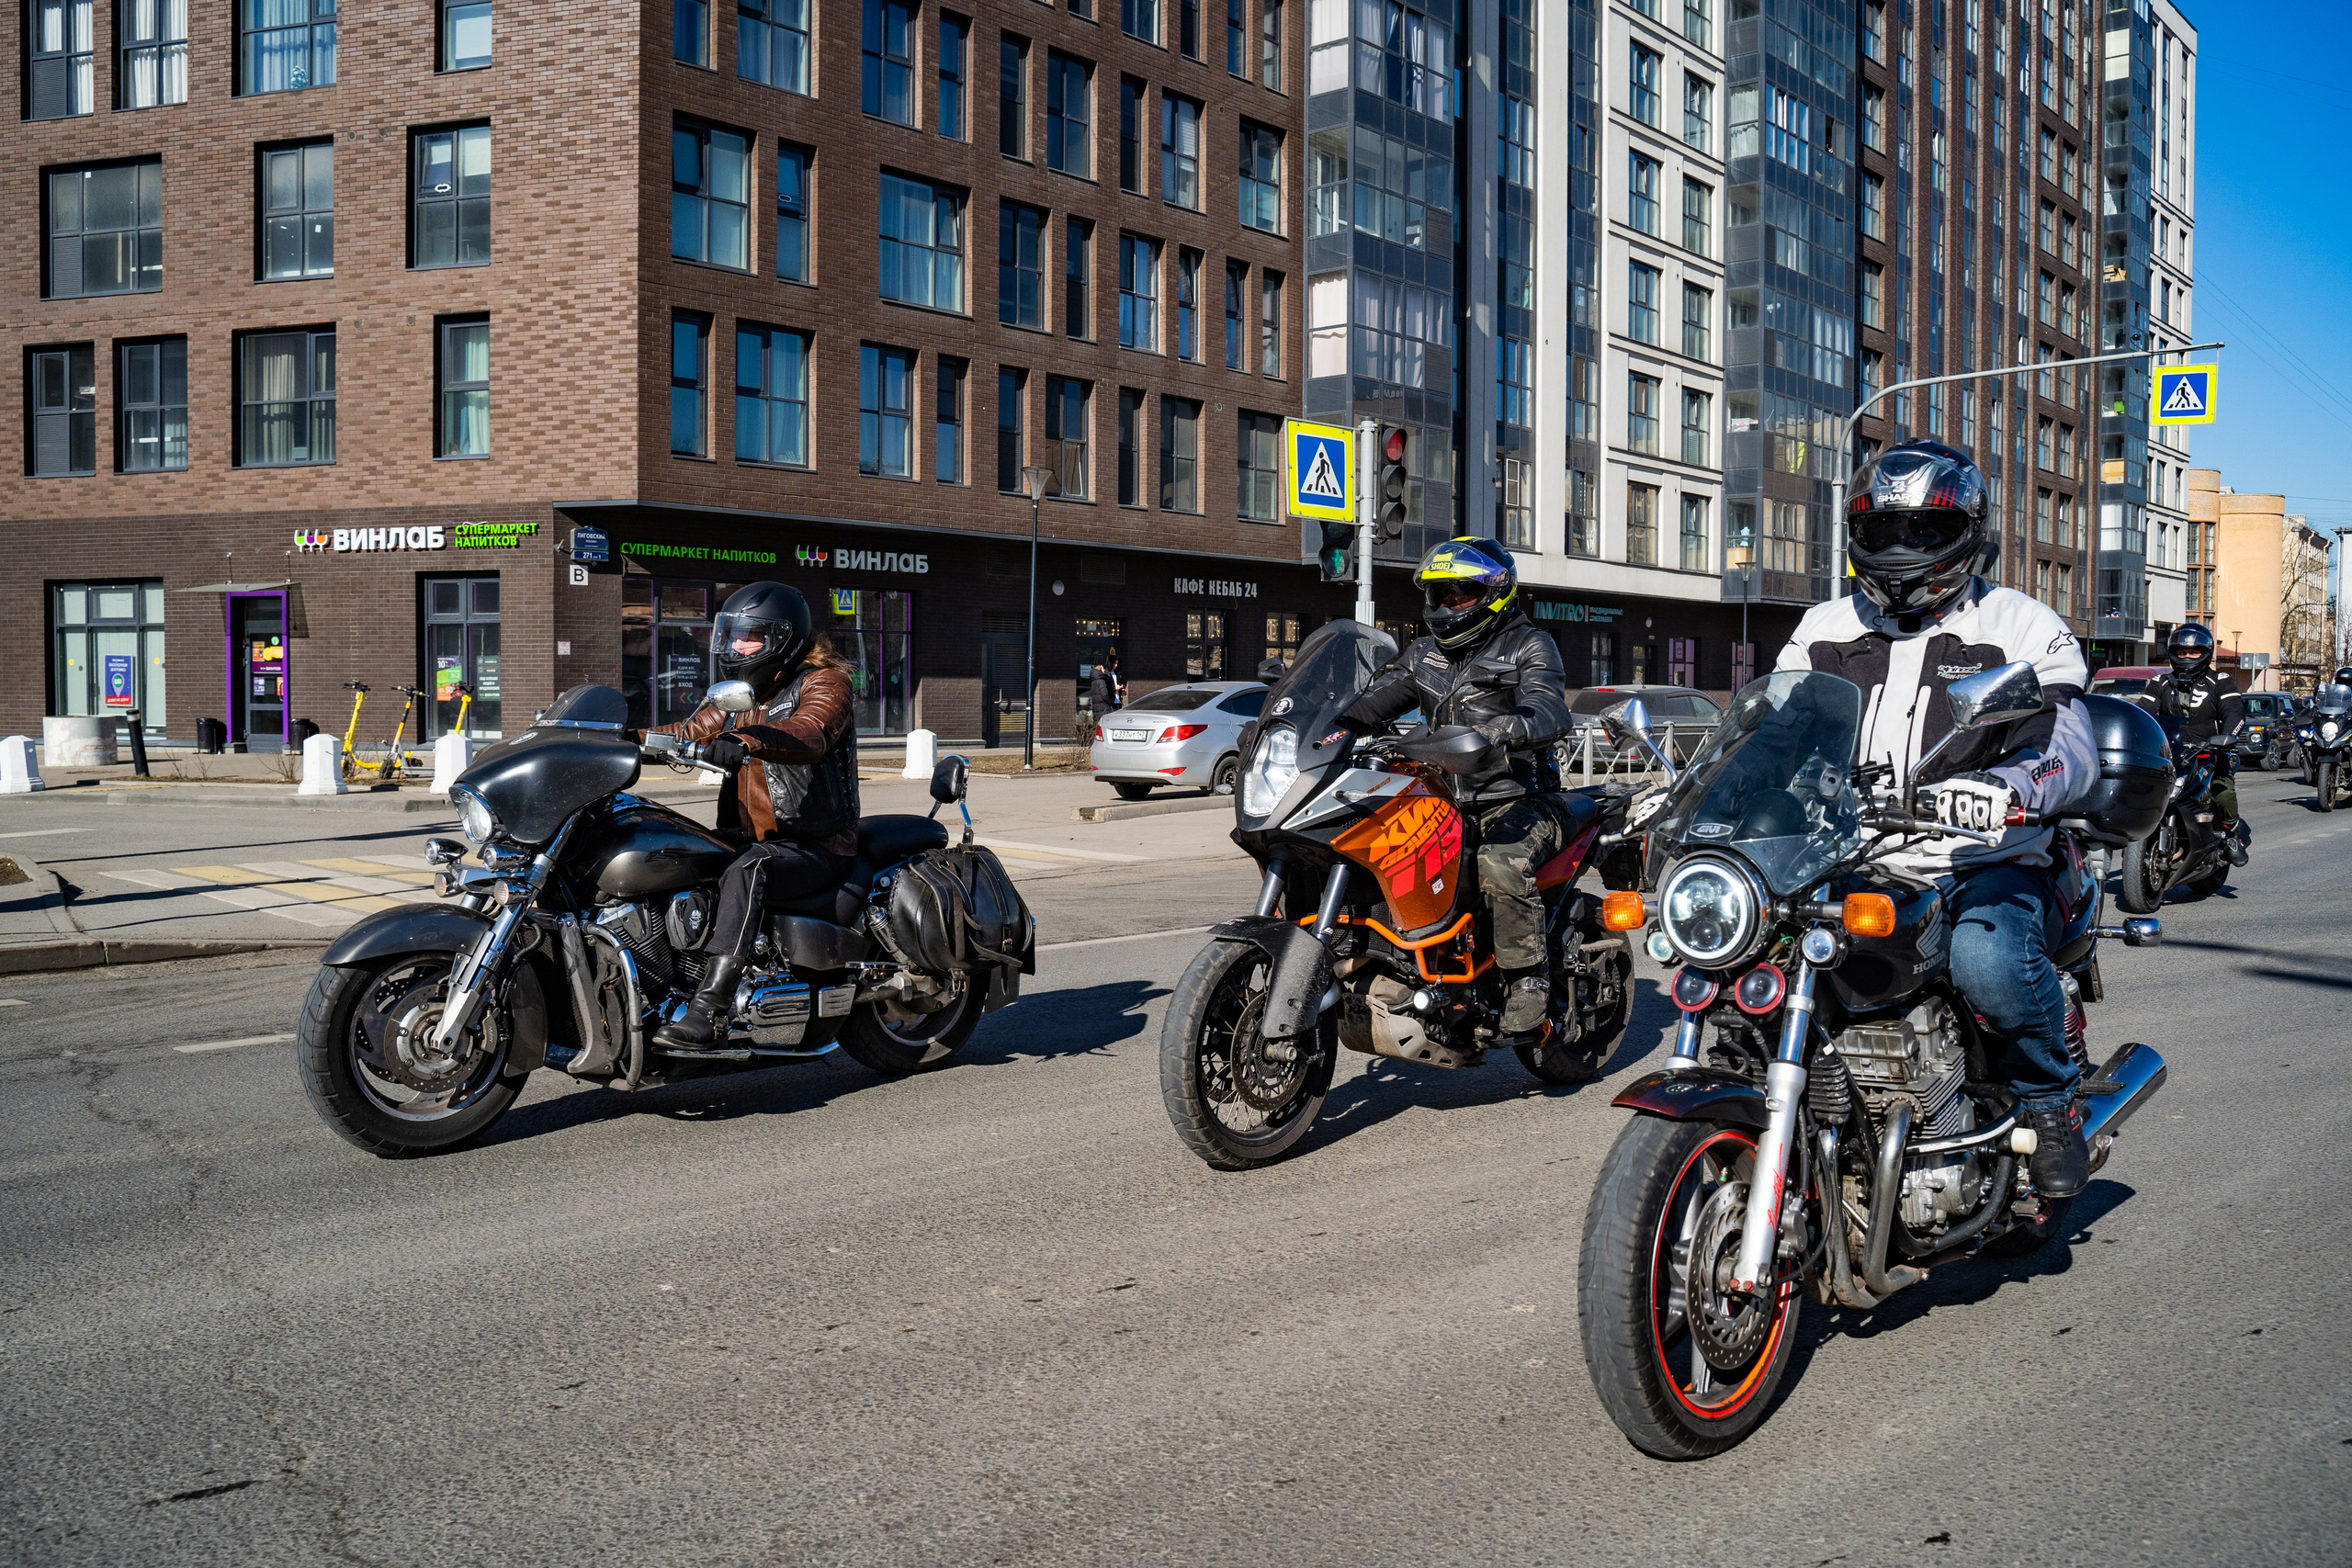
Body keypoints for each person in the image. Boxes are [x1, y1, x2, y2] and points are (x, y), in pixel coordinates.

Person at [1773, 439, 2099, 1198]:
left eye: (1923, 531)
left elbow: (2065, 743)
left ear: (1965, 532)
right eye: (1883, 531)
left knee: (1988, 960)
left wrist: (2014, 785)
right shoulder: (1822, 628)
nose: (1901, 549)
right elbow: (1777, 729)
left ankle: (2052, 1104)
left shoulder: (2019, 625)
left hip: (1984, 857)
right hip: (1850, 857)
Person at [1338, 537, 1572, 1038]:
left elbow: (1550, 708)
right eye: (1439, 596)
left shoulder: (1529, 644)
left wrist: (1502, 731)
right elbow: (1371, 702)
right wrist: (1320, 727)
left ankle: (1528, 978)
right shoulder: (1425, 654)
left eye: (1459, 595)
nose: (1446, 607)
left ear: (1496, 592)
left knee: (1499, 863)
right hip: (1441, 795)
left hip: (1516, 797)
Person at [643, 581, 861, 1049]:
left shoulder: (824, 682)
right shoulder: (735, 696)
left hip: (813, 844)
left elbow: (811, 731)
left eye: (750, 638)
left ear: (782, 638)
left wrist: (748, 739)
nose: (736, 646)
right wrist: (607, 738)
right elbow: (682, 731)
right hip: (745, 836)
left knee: (750, 867)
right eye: (733, 635)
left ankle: (709, 1010)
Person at [2146, 624, 2248, 865]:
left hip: (2209, 754)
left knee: (2223, 794)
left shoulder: (2220, 681)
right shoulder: (2160, 682)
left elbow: (2235, 712)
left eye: (2193, 652)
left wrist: (2226, 737)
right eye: (2181, 652)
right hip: (2170, 754)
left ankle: (2230, 834)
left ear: (2206, 653)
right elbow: (2142, 712)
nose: (2187, 657)